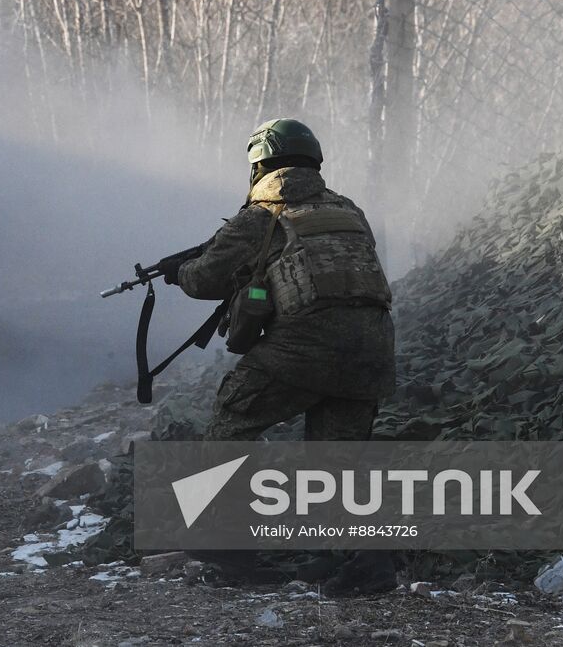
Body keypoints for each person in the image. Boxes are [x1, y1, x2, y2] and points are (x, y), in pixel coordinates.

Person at [157, 117, 398, 594]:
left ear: (260, 165)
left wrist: (176, 272)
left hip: (304, 346)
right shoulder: (349, 209)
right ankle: (371, 562)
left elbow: (205, 280)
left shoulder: (261, 215)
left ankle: (228, 549)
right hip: (374, 348)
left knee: (233, 417)